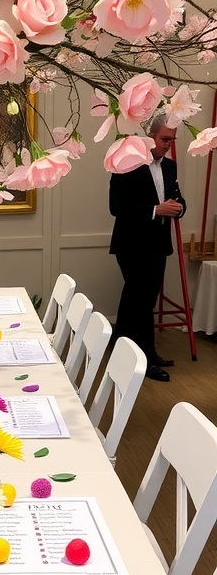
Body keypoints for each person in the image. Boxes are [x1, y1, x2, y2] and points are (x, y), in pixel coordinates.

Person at [109, 114, 186, 382]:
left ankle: (118, 342)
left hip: (158, 244)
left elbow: (177, 198)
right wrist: (156, 210)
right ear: (150, 135)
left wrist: (178, 207)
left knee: (136, 298)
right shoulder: (126, 163)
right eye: (165, 139)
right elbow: (116, 207)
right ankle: (147, 358)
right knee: (142, 302)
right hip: (130, 244)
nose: (168, 144)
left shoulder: (170, 166)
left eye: (172, 140)